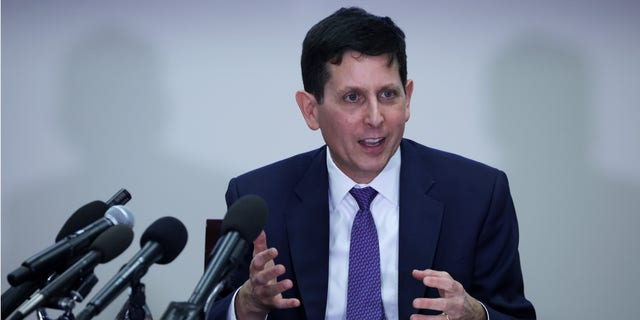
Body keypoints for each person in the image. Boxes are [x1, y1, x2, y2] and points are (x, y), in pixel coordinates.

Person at [208, 7, 536, 320]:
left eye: (388, 95)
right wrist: (248, 303)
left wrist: (477, 315)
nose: (375, 118)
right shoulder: (258, 199)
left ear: (407, 98)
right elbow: (208, 310)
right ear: (310, 110)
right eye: (353, 98)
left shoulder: (478, 195)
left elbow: (515, 315)